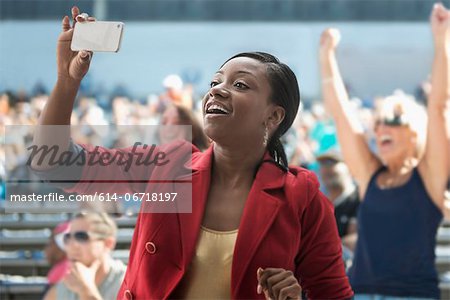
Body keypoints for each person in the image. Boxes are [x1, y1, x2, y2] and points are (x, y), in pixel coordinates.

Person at [32, 6, 353, 299]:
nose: (217, 89)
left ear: (274, 116)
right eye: (216, 81)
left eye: (240, 85)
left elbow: (334, 295)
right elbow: (57, 165)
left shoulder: (302, 197)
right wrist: (66, 80)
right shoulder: (167, 166)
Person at [318, 3, 450, 299]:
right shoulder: (371, 175)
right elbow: (341, 115)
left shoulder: (428, 177)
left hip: (411, 295)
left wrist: (442, 40)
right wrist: (327, 58)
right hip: (361, 292)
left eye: (392, 120)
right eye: (377, 123)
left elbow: (439, 105)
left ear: (416, 131)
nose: (380, 129)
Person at [43, 212, 126, 300]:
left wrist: (87, 292)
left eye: (81, 237)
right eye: (67, 237)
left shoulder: (128, 282)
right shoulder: (63, 287)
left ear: (108, 243)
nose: (72, 245)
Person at [316, 150, 359, 252]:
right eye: (322, 164)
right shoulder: (319, 205)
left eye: (332, 163)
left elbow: (357, 240)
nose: (326, 168)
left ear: (349, 167)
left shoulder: (361, 198)